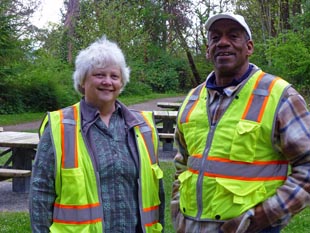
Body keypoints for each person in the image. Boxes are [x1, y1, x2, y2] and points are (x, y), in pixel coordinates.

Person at [171, 12, 310, 233]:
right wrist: (177, 209)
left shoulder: (280, 96)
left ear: (249, 47)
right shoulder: (193, 99)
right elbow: (182, 162)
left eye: (233, 36)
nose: (223, 42)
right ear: (207, 50)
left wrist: (263, 217)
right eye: (215, 37)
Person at [29, 36, 165, 233]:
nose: (107, 82)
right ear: (83, 80)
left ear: (122, 82)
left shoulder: (142, 126)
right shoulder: (61, 126)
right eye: (99, 74)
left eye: (114, 76)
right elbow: (41, 193)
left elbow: (156, 190)